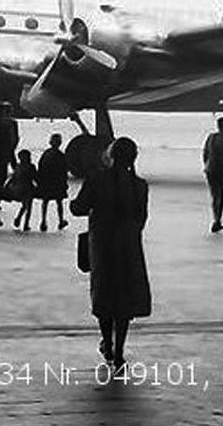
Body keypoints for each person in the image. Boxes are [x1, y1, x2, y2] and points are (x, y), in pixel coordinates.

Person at [70, 136, 151, 370]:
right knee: (124, 299)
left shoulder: (97, 180)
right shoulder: (139, 185)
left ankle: (107, 343)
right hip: (129, 247)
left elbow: (79, 207)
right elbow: (141, 219)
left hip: (102, 245)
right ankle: (119, 352)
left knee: (104, 295)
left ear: (110, 155)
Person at [37, 133, 70, 231]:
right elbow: (64, 171)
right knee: (59, 202)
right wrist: (64, 183)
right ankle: (60, 220)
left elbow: (40, 167)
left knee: (45, 201)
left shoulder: (46, 154)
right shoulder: (61, 156)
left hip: (46, 183)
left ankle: (43, 221)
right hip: (57, 183)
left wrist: (40, 181)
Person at [9, 149, 38, 230]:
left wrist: (9, 186)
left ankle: (19, 219)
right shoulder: (31, 167)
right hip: (27, 188)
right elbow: (35, 178)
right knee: (27, 206)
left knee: (24, 206)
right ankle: (25, 224)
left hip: (17, 188)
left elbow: (13, 178)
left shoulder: (18, 167)